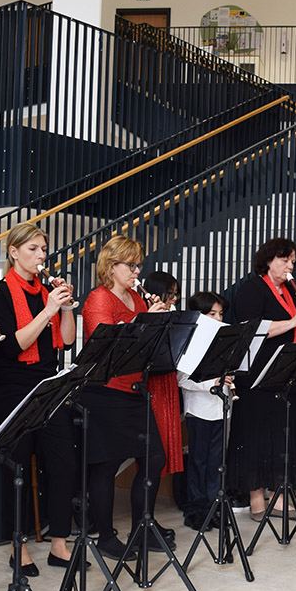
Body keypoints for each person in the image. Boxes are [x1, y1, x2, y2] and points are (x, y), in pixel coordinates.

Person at [0, 222, 79, 574]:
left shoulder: (47, 292)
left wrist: (65, 307)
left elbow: (67, 341)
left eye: (43, 249)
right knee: (18, 468)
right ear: (13, 252)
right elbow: (13, 346)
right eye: (33, 249)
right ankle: (18, 546)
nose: (41, 255)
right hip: (11, 389)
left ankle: (59, 544)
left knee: (63, 463)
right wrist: (49, 310)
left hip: (47, 386)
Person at [80, 236, 176, 557]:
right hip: (105, 391)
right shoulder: (99, 298)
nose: (137, 271)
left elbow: (147, 346)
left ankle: (141, 527)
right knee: (106, 466)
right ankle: (106, 537)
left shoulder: (137, 297)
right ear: (111, 266)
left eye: (138, 265)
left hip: (135, 389)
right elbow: (106, 345)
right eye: (131, 265)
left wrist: (158, 321)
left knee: (154, 458)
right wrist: (143, 321)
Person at [228, 238, 296, 522]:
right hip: (257, 377)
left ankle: (279, 499)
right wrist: (294, 320)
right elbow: (252, 329)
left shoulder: (291, 292)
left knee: (285, 436)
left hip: (287, 374)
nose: (290, 266)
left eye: (292, 261)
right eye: (284, 260)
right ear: (268, 261)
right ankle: (257, 502)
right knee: (255, 437)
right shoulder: (252, 289)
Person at [178, 292, 232, 530]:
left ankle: (213, 508)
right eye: (212, 314)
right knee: (198, 462)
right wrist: (211, 384)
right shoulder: (189, 340)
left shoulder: (226, 338)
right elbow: (182, 379)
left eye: (220, 314)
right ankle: (195, 510)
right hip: (199, 409)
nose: (218, 319)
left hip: (221, 408)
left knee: (216, 463)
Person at [141, 270, 185, 495]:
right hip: (153, 383)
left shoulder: (172, 315)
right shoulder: (146, 312)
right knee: (153, 451)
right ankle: (145, 509)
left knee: (163, 448)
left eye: (176, 293)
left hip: (168, 379)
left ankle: (150, 508)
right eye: (170, 293)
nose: (174, 298)